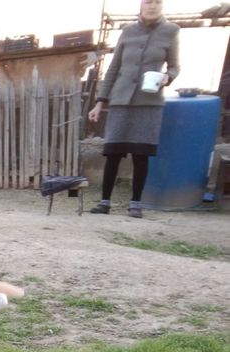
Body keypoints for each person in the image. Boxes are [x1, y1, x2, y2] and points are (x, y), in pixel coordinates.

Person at [88, 0, 179, 218]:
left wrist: (168, 77)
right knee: (113, 153)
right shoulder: (128, 31)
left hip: (149, 102)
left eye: (158, 2)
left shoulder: (171, 31)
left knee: (141, 155)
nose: (153, 6)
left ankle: (135, 204)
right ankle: (104, 202)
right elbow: (113, 68)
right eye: (149, 1)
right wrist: (100, 102)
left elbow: (175, 65)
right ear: (141, 5)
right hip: (121, 100)